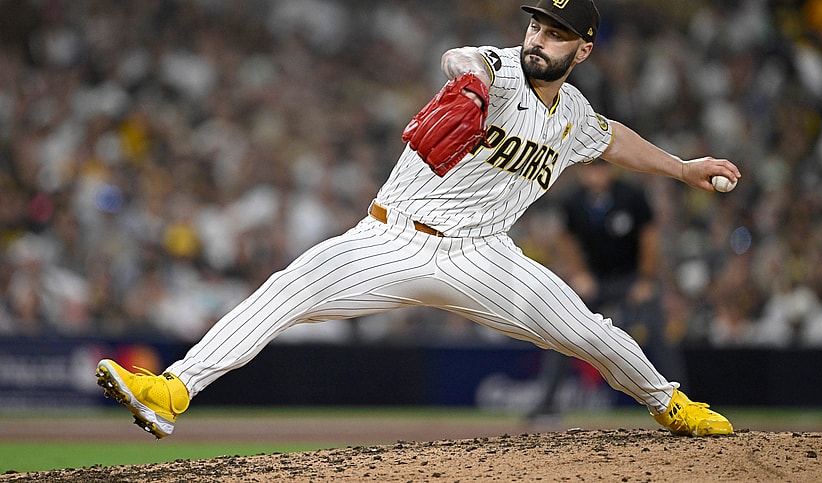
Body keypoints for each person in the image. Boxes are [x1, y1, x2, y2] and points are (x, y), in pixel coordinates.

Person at [96, 0, 740, 439]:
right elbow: (463, 59)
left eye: (556, 34)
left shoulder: (570, 113)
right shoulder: (501, 70)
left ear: (584, 49)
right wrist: (476, 86)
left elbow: (612, 139)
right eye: (537, 27)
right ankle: (173, 390)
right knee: (285, 289)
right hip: (393, 237)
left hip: (484, 256)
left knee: (590, 333)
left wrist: (682, 169)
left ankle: (669, 403)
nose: (538, 40)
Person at [527, 159, 684, 419]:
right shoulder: (573, 201)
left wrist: (645, 279)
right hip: (595, 280)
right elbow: (567, 240)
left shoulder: (631, 195)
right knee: (561, 330)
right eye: (590, 168)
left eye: (600, 168)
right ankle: (547, 403)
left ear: (611, 169)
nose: (595, 174)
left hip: (630, 278)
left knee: (657, 335)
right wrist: (579, 274)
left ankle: (682, 400)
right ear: (581, 172)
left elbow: (649, 239)